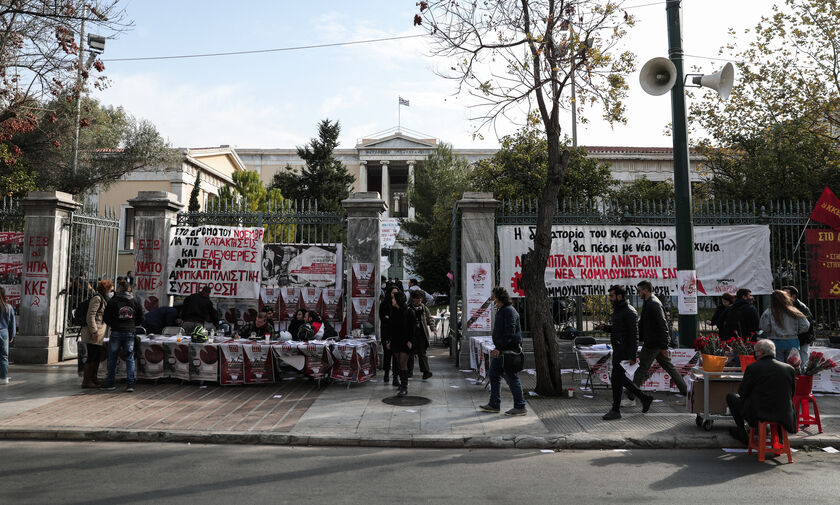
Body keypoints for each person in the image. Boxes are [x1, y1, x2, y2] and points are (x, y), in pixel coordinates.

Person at [596, 285, 654, 421]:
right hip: (618, 350)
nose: (610, 298)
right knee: (619, 378)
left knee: (616, 379)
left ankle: (616, 410)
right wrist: (605, 327)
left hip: (624, 352)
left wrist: (632, 356)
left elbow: (634, 336)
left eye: (611, 296)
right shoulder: (618, 310)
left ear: (619, 296)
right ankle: (644, 398)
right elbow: (617, 330)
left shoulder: (629, 312)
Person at [725, 339, 796, 445]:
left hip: (759, 414)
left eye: (756, 351)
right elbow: (792, 393)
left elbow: (742, 392)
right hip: (784, 414)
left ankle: (742, 433)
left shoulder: (753, 368)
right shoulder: (789, 368)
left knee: (731, 397)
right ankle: (779, 438)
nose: (755, 353)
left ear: (762, 352)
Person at [631, 281, 688, 405]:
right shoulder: (650, 302)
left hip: (653, 344)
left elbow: (663, 326)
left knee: (641, 369)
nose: (638, 293)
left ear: (646, 290)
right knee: (670, 368)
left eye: (639, 290)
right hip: (655, 343)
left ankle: (631, 397)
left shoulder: (653, 304)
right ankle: (686, 394)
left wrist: (664, 346)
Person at [479, 287, 527, 416]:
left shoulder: (509, 311)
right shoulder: (503, 310)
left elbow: (509, 332)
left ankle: (520, 406)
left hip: (508, 352)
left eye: (493, 295)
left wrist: (499, 348)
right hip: (502, 352)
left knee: (511, 377)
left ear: (499, 297)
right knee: (494, 374)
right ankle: (494, 404)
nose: (492, 298)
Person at [100, 281, 144, 392]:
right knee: (129, 358)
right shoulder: (135, 301)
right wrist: (132, 324)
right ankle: (130, 384)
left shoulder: (113, 301)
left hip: (116, 332)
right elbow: (141, 317)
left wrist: (114, 324)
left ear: (120, 289)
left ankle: (110, 382)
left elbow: (106, 317)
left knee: (112, 357)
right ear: (129, 289)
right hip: (129, 332)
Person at [759, 290, 810, 366]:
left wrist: (772, 331)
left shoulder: (769, 311)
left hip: (776, 341)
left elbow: (764, 327)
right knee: (793, 365)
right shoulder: (794, 311)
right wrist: (796, 331)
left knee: (779, 366)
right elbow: (806, 325)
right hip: (792, 341)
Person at [79, 279, 113, 388]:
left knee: (97, 356)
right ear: (106, 288)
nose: (112, 290)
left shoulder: (104, 298)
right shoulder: (97, 299)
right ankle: (86, 381)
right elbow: (91, 316)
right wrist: (93, 331)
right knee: (92, 357)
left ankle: (93, 379)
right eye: (111, 288)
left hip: (100, 333)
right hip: (93, 333)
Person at [386, 291, 415, 397]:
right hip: (395, 341)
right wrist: (388, 340)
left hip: (405, 342)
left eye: (394, 299)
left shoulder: (409, 312)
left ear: (398, 300)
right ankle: (402, 382)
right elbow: (390, 327)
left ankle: (404, 386)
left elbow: (412, 328)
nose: (392, 300)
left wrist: (410, 341)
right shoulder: (393, 311)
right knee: (398, 362)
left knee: (403, 363)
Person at [782, 286, 815, 367]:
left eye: (786, 293)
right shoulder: (787, 305)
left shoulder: (800, 307)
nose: (783, 295)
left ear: (793, 296)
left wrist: (794, 332)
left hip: (802, 338)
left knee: (802, 361)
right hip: (794, 338)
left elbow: (807, 325)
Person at [409, 289, 435, 380]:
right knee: (410, 353)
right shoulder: (408, 308)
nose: (419, 300)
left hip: (421, 334)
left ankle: (426, 371)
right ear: (413, 299)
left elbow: (430, 318)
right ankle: (409, 371)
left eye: (420, 299)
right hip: (411, 334)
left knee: (422, 354)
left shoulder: (424, 308)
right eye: (417, 299)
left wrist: (433, 328)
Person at [380, 285, 400, 386]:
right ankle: (386, 373)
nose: (394, 295)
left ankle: (395, 376)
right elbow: (383, 319)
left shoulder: (398, 305)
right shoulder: (384, 304)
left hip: (396, 334)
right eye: (393, 293)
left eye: (396, 293)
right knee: (387, 355)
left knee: (396, 356)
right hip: (386, 333)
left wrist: (390, 318)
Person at [0, 286, 15, 385]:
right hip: (4, 332)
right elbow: (12, 323)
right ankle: (4, 378)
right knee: (4, 356)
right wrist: (11, 336)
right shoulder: (8, 307)